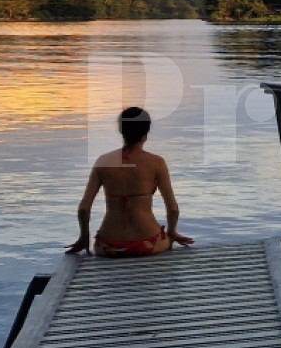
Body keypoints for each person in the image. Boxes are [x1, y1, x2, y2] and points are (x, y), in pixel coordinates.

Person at [68, 106, 194, 257]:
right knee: (167, 240)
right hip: (148, 243)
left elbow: (83, 208)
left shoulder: (103, 161)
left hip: (108, 246)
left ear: (121, 131)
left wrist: (84, 237)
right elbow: (173, 209)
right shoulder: (156, 162)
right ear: (145, 134)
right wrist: (172, 232)